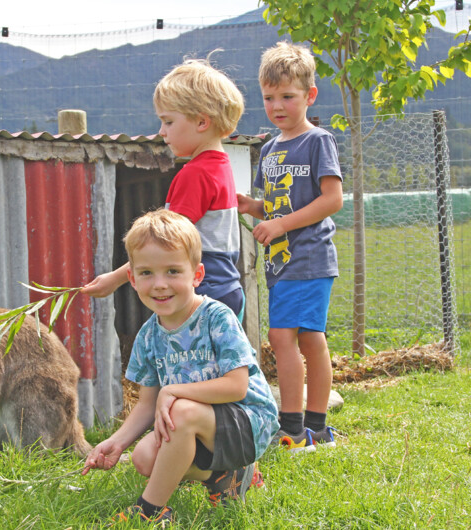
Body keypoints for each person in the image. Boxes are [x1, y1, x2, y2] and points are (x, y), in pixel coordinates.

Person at [82, 209, 279, 525]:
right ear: (131, 278)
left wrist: (173, 391)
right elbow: (147, 406)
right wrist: (116, 442)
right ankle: (225, 476)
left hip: (248, 421)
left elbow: (236, 386)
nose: (159, 284)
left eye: (173, 271)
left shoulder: (216, 318)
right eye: (146, 273)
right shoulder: (149, 335)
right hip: (202, 424)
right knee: (145, 458)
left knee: (181, 411)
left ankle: (149, 512)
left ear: (196, 275)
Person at [236, 41, 345, 453]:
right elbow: (279, 202)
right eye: (268, 97)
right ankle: (318, 428)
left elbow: (331, 200)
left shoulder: (318, 141)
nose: (277, 105)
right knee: (310, 340)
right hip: (280, 263)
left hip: (310, 256)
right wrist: (253, 206)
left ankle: (294, 429)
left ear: (309, 96)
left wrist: (279, 224)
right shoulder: (268, 149)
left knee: (283, 337)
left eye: (287, 96)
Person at [82, 57, 246, 318]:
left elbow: (165, 243)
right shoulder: (221, 166)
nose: (161, 131)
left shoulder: (195, 173)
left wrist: (115, 279)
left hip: (202, 294)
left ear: (201, 122)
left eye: (168, 122)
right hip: (228, 288)